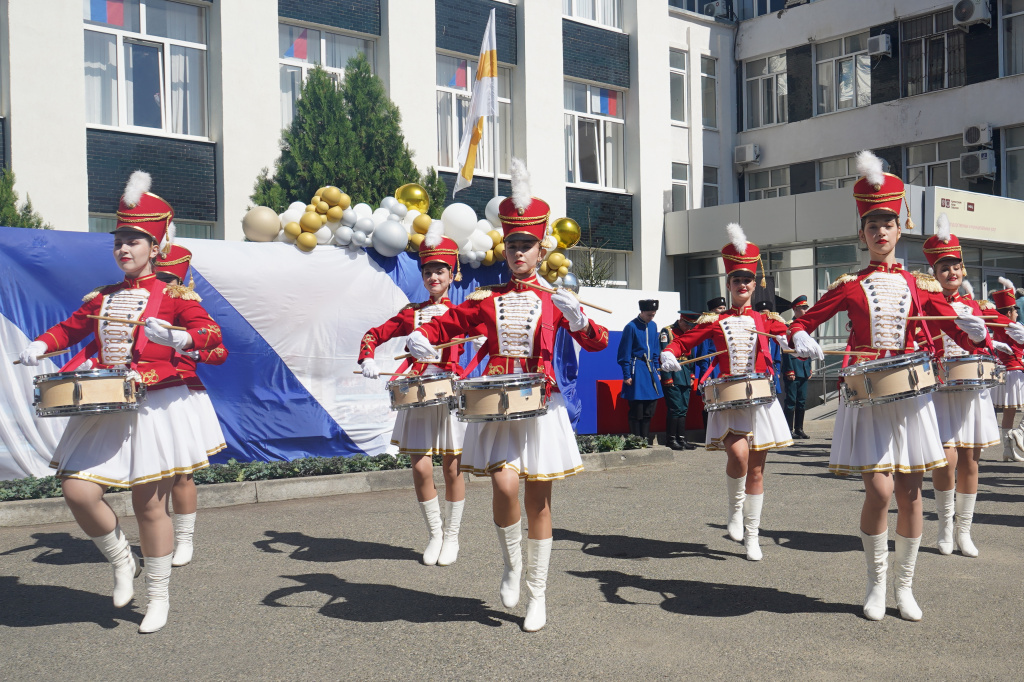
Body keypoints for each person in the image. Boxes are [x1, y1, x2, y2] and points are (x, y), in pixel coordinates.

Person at [406, 158, 609, 632]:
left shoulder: (555, 299)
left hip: (542, 407)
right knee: (502, 486)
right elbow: (447, 323)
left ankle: (538, 594)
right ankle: (512, 563)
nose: (519, 253)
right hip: (499, 405)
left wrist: (578, 319)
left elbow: (596, 342)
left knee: (538, 502)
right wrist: (424, 338)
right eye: (513, 244)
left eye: (527, 245)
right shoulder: (488, 299)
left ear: (541, 250)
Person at [787, 151, 989, 622]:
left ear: (900, 230)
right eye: (873, 223)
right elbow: (803, 322)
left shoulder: (922, 285)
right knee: (878, 493)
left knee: (910, 494)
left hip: (912, 398)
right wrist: (799, 335)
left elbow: (952, 330)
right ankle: (876, 583)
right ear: (862, 234)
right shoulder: (850, 285)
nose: (881, 231)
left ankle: (905, 587)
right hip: (867, 399)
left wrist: (976, 332)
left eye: (889, 222)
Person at [18, 171, 223, 633]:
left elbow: (213, 338)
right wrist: (39, 345)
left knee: (149, 505)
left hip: (152, 408)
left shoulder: (174, 294)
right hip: (106, 404)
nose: (124, 249)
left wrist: (180, 335)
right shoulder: (103, 297)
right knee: (77, 490)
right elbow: (69, 329)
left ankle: (158, 597)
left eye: (134, 241)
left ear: (156, 247)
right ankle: (119, 560)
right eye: (119, 243)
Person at [660, 223, 793, 562]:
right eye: (737, 280)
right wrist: (669, 353)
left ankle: (752, 535)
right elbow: (681, 340)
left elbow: (791, 333)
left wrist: (798, 339)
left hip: (760, 398)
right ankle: (735, 510)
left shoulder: (766, 319)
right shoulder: (713, 321)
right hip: (729, 399)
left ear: (754, 284)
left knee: (758, 470)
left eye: (748, 280)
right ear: (729, 284)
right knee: (738, 456)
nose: (743, 285)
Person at [357, 225, 470, 567]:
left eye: (440, 270)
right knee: (420, 468)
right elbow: (374, 334)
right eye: (428, 271)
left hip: (450, 392)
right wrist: (367, 358)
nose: (434, 276)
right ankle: (434, 533)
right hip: (419, 394)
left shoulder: (465, 310)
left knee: (452, 468)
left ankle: (452, 536)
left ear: (453, 274)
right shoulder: (413, 312)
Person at [923, 216, 1011, 558]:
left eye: (955, 266)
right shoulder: (928, 305)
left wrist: (994, 340)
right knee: (946, 461)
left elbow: (993, 338)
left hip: (973, 390)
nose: (951, 273)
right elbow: (920, 339)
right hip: (942, 391)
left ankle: (964, 531)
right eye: (944, 267)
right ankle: (945, 527)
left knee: (971, 463)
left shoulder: (976, 306)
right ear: (935, 273)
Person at [154, 245, 228, 567]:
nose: (163, 282)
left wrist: (189, 347)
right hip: (148, 392)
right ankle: (160, 535)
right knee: (151, 472)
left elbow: (220, 351)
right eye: (159, 275)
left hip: (183, 392)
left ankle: (184, 540)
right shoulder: (140, 301)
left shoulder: (187, 305)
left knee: (182, 473)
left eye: (169, 277)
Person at [618, 300, 664, 444]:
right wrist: (627, 374)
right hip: (636, 369)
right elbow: (624, 353)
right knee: (637, 408)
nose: (651, 317)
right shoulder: (630, 327)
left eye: (653, 315)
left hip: (650, 370)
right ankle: (636, 440)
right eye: (649, 315)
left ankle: (645, 439)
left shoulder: (653, 325)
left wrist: (657, 369)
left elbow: (655, 350)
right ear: (642, 312)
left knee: (650, 407)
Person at [988, 278, 1024, 462]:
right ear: (1009, 312)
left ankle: (1008, 450)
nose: (1017, 314)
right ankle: (1019, 433)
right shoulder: (1014, 327)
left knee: (1009, 413)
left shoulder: (997, 327)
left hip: (1004, 372)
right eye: (1015, 311)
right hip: (1016, 372)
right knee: (1013, 411)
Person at [659, 310, 699, 450]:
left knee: (683, 409)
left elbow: (691, 356)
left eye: (691, 327)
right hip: (673, 374)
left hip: (685, 373)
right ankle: (671, 440)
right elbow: (663, 357)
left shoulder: (689, 333)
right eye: (687, 325)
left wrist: (692, 375)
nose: (689, 329)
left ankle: (681, 439)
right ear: (681, 320)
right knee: (675, 408)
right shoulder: (668, 332)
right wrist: (667, 378)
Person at [782, 295, 812, 439]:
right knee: (791, 401)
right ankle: (788, 430)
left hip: (804, 368)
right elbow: (787, 350)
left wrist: (809, 366)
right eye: (803, 308)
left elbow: (809, 349)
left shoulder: (805, 326)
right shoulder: (789, 326)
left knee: (802, 401)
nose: (806, 310)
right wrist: (789, 369)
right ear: (795, 309)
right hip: (793, 368)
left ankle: (799, 428)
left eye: (806, 307)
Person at [755, 300, 784, 396]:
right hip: (758, 369)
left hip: (771, 368)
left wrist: (778, 371)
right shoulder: (754, 331)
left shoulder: (773, 335)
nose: (764, 315)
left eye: (767, 312)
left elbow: (776, 355)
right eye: (762, 312)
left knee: (773, 396)